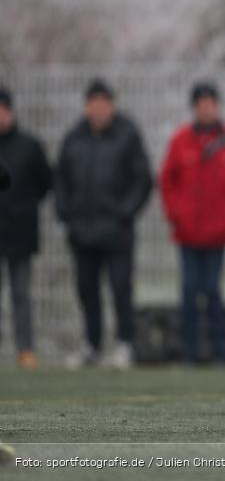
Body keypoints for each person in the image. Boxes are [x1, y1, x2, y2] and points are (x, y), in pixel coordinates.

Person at [55, 79, 152, 368]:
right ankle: (91, 345)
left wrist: (126, 211)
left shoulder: (127, 134)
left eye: (103, 104)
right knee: (87, 291)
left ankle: (124, 343)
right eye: (93, 105)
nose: (98, 110)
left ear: (112, 106)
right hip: (82, 230)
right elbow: (60, 179)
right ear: (86, 107)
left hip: (117, 231)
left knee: (121, 287)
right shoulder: (73, 138)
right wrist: (66, 212)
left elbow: (143, 179)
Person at [160, 82, 225, 363]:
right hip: (187, 232)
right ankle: (188, 351)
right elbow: (167, 181)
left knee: (212, 290)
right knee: (189, 290)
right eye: (201, 104)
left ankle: (220, 350)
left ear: (218, 106)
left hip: (218, 233)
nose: (206, 109)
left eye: (210, 103)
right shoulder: (180, 140)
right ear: (194, 108)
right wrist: (177, 214)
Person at [0, 87, 52, 369]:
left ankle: (26, 349)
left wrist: (24, 206)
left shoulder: (30, 146)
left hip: (20, 232)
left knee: (21, 295)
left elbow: (44, 183)